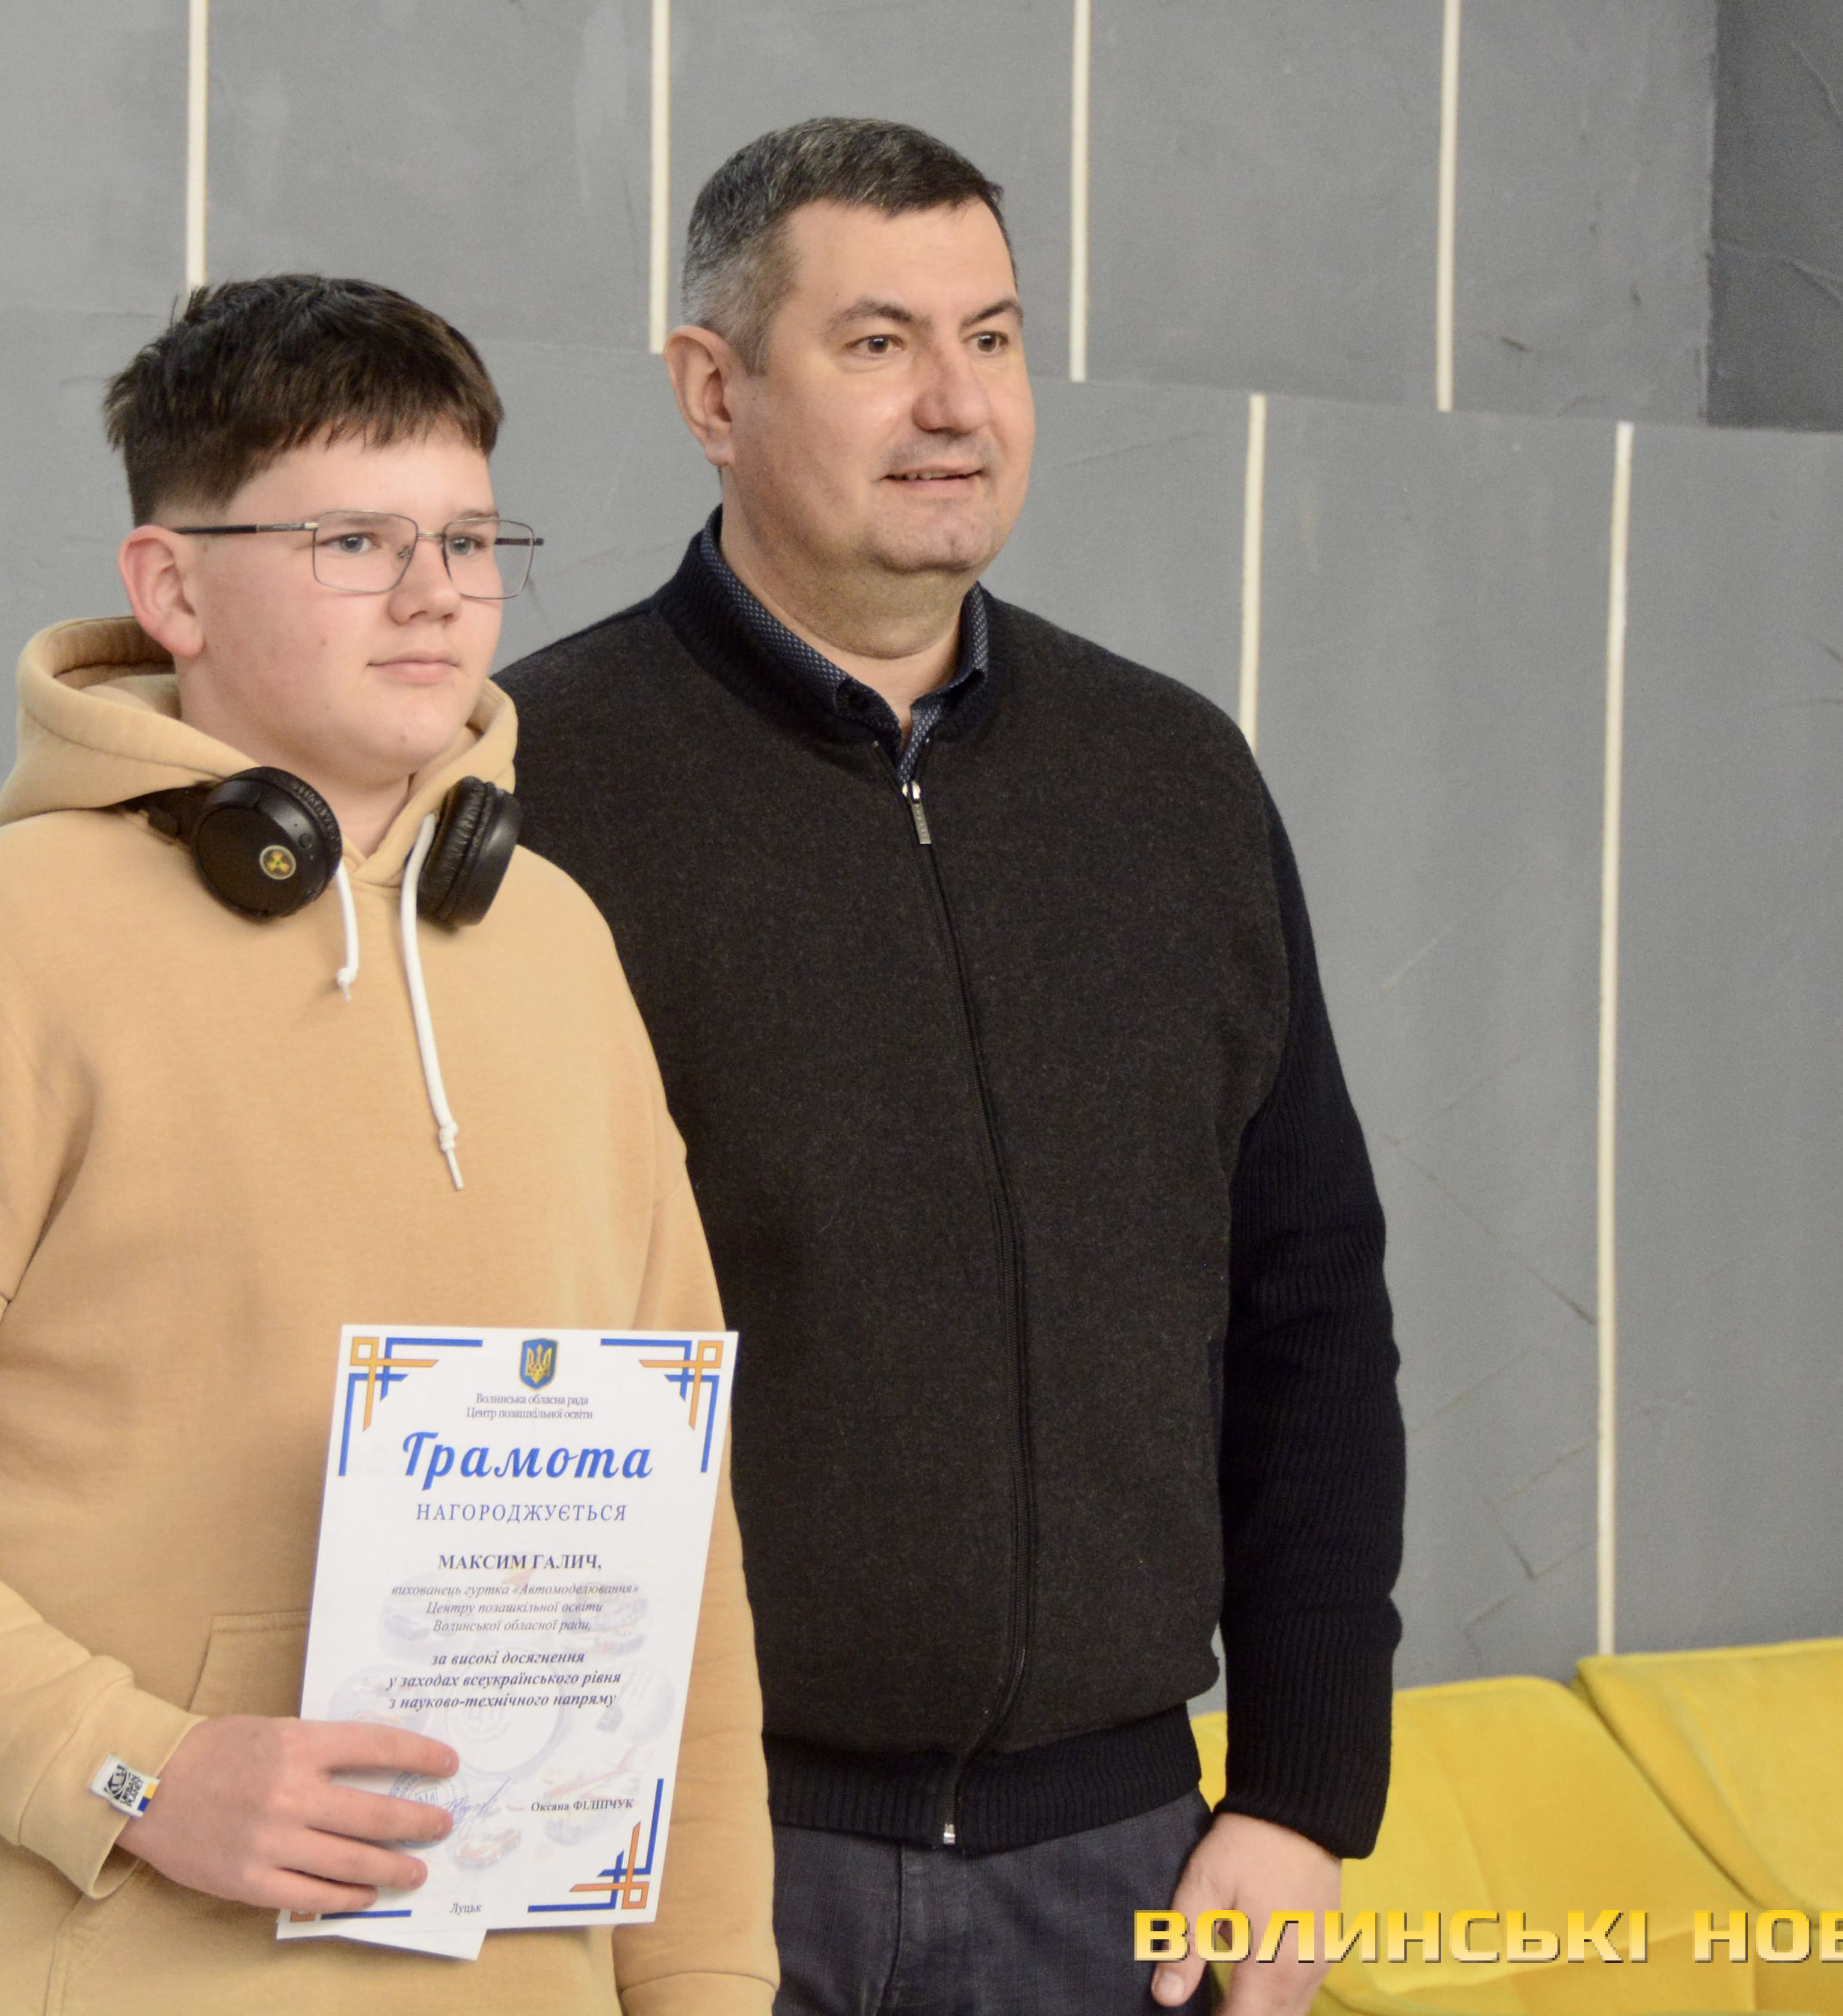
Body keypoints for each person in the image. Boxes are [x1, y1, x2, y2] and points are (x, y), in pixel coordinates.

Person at [0, 275, 775, 2016]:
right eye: (354, 541)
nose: (435, 594)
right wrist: (135, 1770)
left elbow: (672, 1532)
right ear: (171, 588)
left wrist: (703, 1987)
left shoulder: (557, 946)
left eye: (469, 539)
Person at [500, 120, 1406, 2016]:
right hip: (694, 1862)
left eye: (990, 339)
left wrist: (1300, 1791)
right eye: (875, 343)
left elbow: (1307, 1298)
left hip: (1122, 1863)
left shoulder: (1171, 783)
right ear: (712, 392)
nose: (954, 405)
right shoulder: (531, 788)